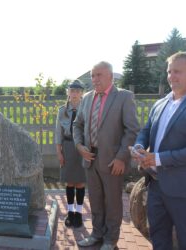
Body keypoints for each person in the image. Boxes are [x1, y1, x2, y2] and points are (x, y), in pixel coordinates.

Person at [73, 61, 139, 250]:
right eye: (93, 76)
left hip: (112, 160)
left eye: (99, 75)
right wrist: (79, 146)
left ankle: (111, 240)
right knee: (95, 199)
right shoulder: (86, 98)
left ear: (110, 76)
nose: (94, 79)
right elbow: (78, 125)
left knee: (112, 202)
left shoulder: (123, 97)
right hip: (89, 158)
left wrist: (121, 157)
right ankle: (96, 234)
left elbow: (132, 130)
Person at [131, 52, 186, 250]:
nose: (172, 76)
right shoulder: (160, 103)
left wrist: (159, 158)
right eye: (169, 72)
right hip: (155, 186)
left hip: (181, 190)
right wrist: (139, 146)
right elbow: (145, 131)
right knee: (159, 239)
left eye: (177, 71)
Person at [55, 80, 86, 228]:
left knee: (80, 182)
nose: (74, 94)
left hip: (81, 148)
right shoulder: (62, 110)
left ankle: (79, 213)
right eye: (72, 91)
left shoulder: (86, 109)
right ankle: (70, 212)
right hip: (67, 146)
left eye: (77, 91)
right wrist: (59, 153)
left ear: (82, 93)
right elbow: (58, 133)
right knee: (69, 182)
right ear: (68, 92)